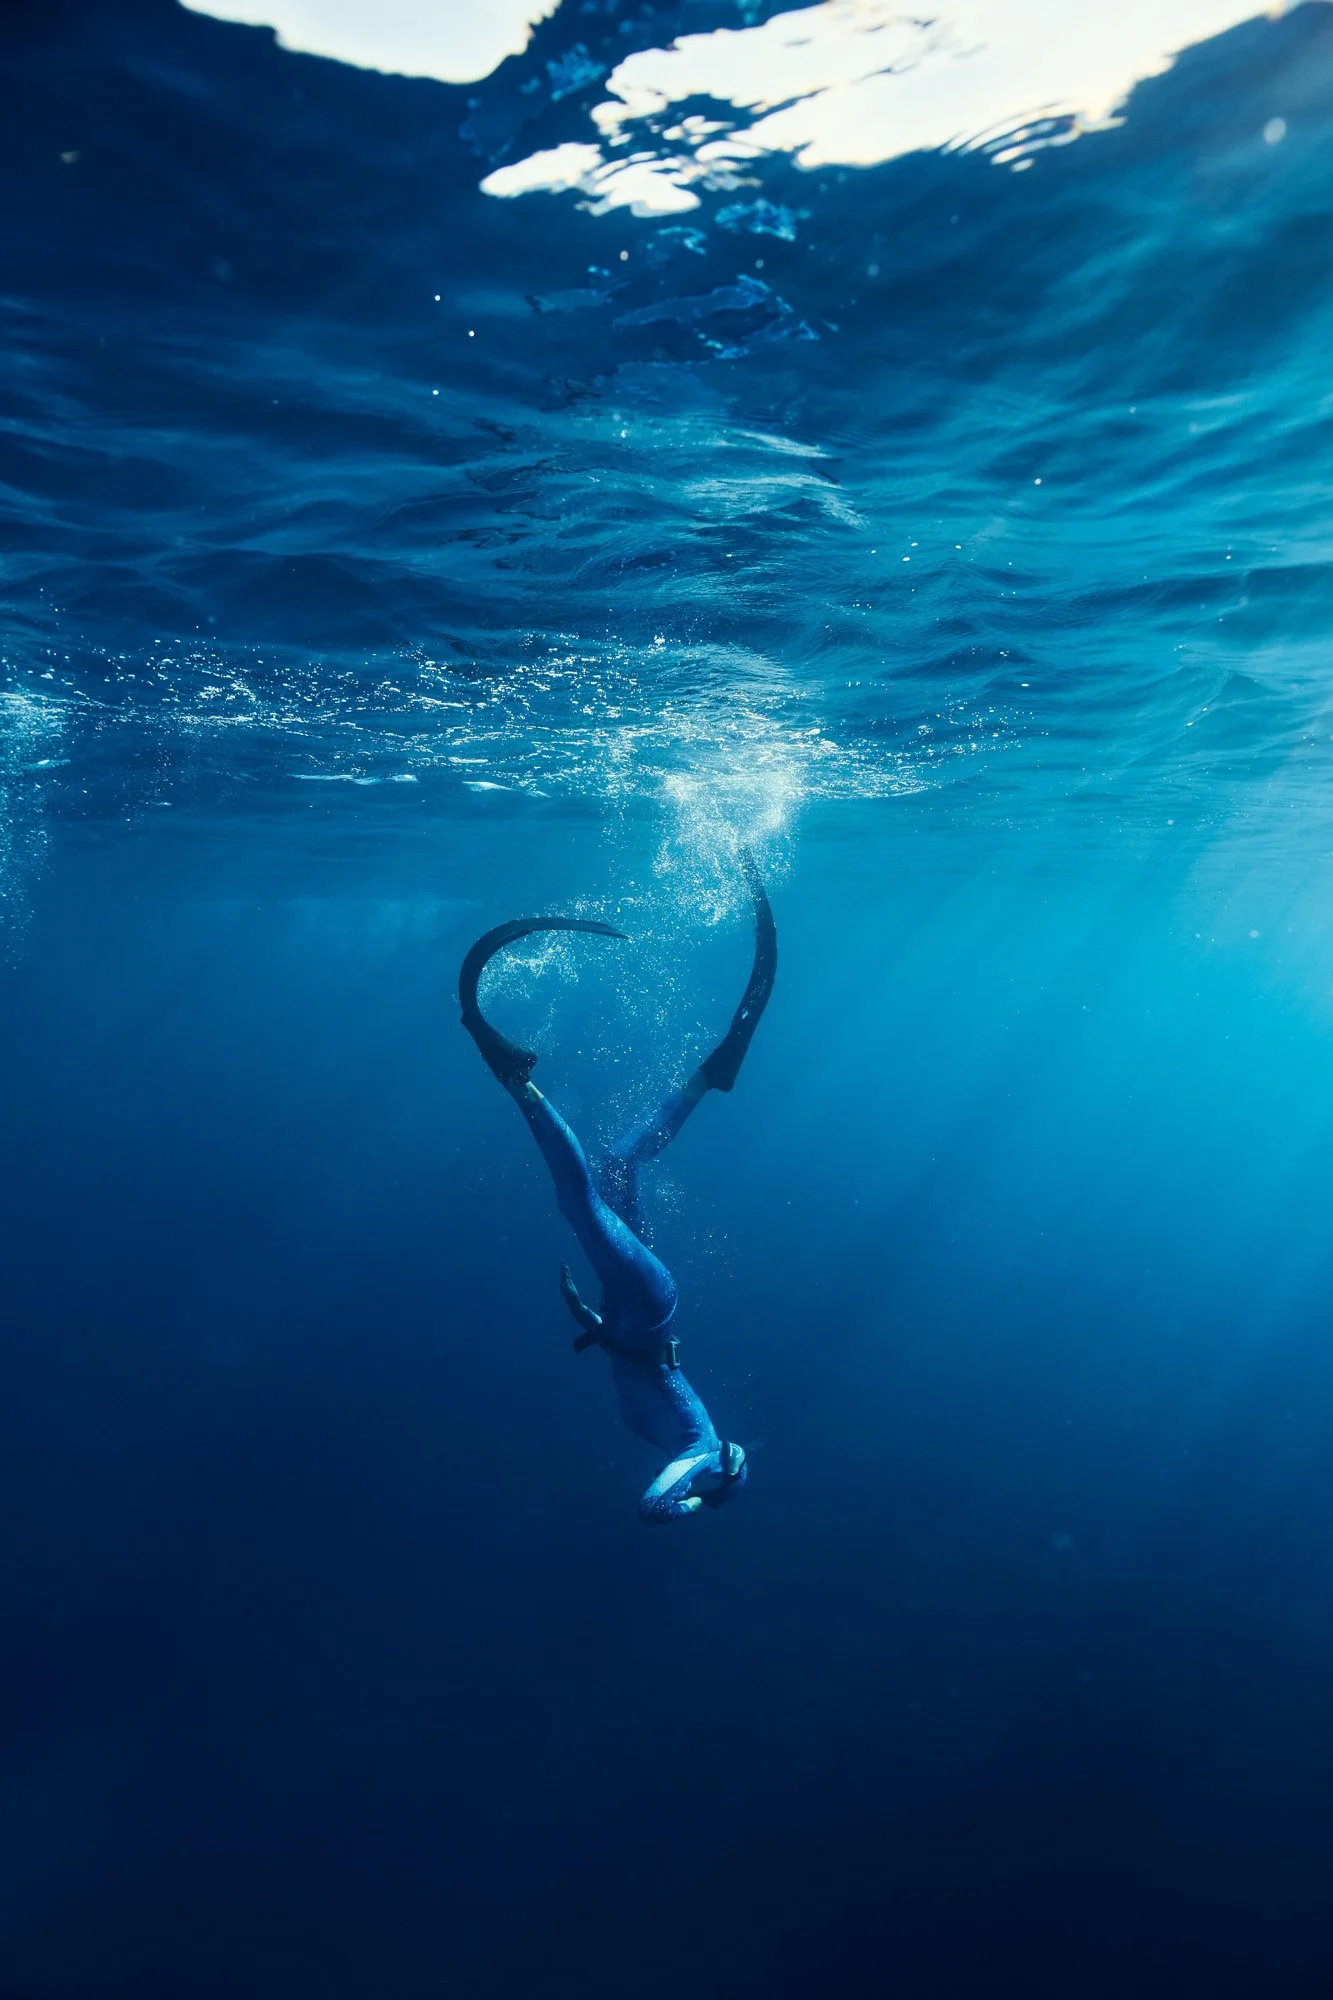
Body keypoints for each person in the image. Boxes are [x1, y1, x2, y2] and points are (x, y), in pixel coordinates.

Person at [459, 855, 777, 1523]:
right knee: (581, 1203)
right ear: (717, 1476)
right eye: (717, 1476)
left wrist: (588, 1319)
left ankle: (712, 1072)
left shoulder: (691, 1448)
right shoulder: (697, 1450)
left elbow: (634, 1365)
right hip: (647, 1301)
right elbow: (652, 1506)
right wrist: (696, 1501)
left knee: (614, 1165)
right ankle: (516, 1079)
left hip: (630, 1308)